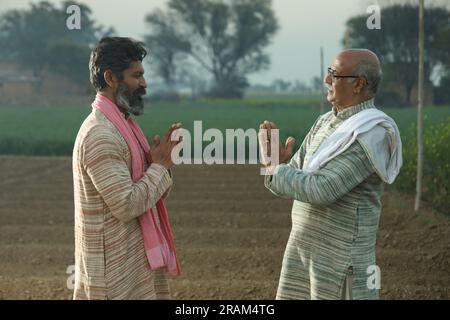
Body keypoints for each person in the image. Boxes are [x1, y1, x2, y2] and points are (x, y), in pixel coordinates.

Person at [259, 49, 403, 300]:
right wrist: (276, 165)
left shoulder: (371, 134)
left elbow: (321, 190)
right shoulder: (325, 122)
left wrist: (276, 169)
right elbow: (288, 177)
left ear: (358, 84)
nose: (327, 81)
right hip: (302, 252)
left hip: (341, 262)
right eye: (329, 73)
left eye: (334, 74)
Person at [72, 37, 182, 299]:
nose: (144, 83)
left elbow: (144, 191)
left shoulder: (121, 127)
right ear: (111, 78)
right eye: (137, 75)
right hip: (113, 275)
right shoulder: (101, 135)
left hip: (130, 265)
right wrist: (159, 168)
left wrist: (160, 167)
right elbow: (127, 205)